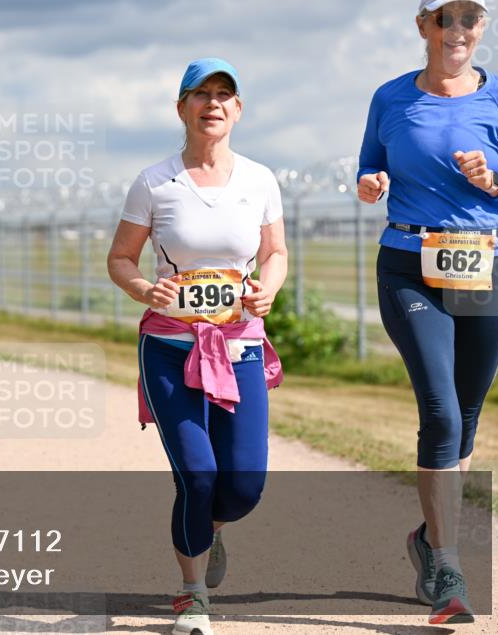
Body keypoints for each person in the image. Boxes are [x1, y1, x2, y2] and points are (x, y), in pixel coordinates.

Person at [107, 58, 287, 635]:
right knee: (198, 475)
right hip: (169, 348)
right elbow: (120, 259)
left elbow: (275, 253)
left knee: (244, 486)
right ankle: (191, 594)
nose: (213, 103)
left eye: (224, 95)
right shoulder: (155, 182)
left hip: (240, 349)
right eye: (200, 94)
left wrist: (270, 291)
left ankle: (209, 532)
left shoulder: (260, 180)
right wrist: (144, 288)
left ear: (238, 110)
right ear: (181, 107)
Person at [358, 0, 498, 625]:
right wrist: (370, 183)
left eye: (468, 19)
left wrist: (495, 178)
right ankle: (447, 562)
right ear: (423, 26)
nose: (455, 30)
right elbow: (370, 167)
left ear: (482, 28)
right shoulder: (391, 97)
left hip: (491, 264)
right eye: (442, 18)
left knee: (468, 414)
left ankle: (426, 536)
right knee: (442, 411)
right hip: (411, 265)